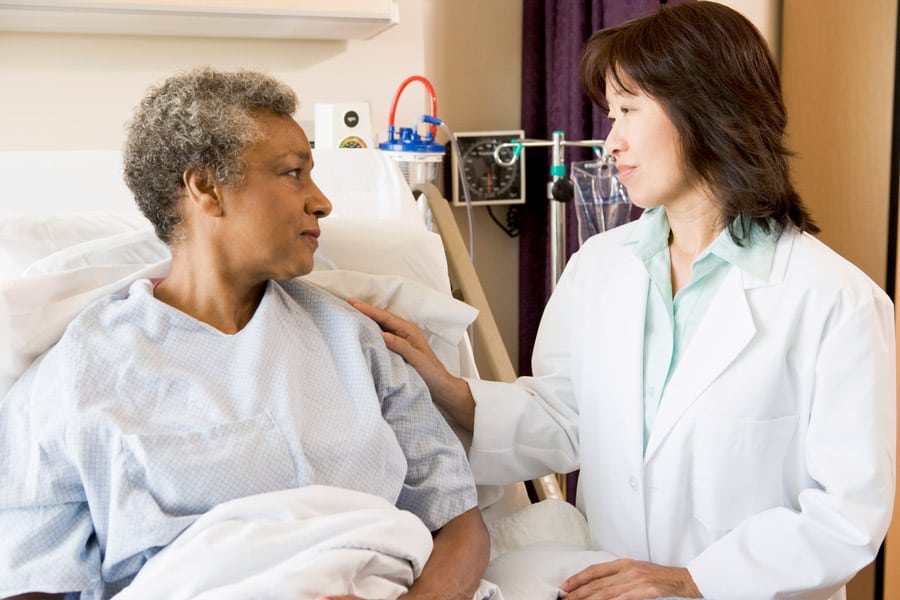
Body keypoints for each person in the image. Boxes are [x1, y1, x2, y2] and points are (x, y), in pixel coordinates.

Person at [353, 3, 896, 599]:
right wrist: (448, 387)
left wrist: (697, 580)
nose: (611, 140)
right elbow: (563, 419)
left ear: (708, 110)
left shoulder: (834, 301)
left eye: (630, 111)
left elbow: (846, 516)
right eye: (612, 115)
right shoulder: (599, 268)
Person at [0, 68, 489, 599]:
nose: (321, 201)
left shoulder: (353, 339)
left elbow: (460, 524)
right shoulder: (77, 375)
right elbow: (35, 583)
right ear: (206, 187)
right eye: (293, 172)